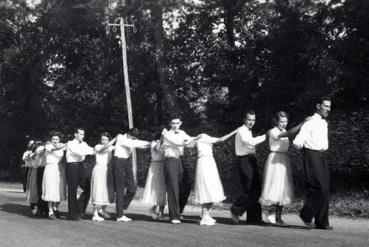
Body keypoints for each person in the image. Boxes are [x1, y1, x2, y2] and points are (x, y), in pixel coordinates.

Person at [259, 111, 306, 224]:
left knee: (283, 187)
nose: (284, 124)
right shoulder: (273, 132)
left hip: (284, 159)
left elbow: (288, 135)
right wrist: (302, 123)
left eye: (286, 121)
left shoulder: (285, 131)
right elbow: (289, 133)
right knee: (273, 187)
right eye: (281, 121)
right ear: (276, 121)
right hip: (274, 159)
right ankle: (270, 214)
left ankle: (278, 217)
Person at [293, 97, 332, 230]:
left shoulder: (324, 123)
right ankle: (306, 214)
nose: (328, 109)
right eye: (325, 106)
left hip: (322, 156)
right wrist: (306, 151)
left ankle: (322, 222)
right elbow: (297, 141)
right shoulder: (309, 122)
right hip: (311, 156)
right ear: (318, 106)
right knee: (318, 187)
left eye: (329, 107)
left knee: (325, 189)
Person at [190, 129, 237, 226]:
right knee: (206, 188)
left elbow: (189, 144)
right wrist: (235, 131)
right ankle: (204, 216)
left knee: (210, 188)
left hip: (209, 162)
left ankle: (206, 214)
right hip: (205, 162)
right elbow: (221, 139)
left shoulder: (205, 138)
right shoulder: (204, 136)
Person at [162, 115, 200, 224]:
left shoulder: (182, 133)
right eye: (173, 123)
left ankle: (179, 211)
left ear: (180, 123)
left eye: (177, 123)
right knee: (173, 188)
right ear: (170, 124)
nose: (175, 125)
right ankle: (174, 216)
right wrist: (194, 138)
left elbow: (190, 143)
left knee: (186, 186)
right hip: (170, 160)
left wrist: (200, 139)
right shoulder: (167, 134)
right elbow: (179, 142)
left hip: (180, 160)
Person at [230, 110, 267, 225]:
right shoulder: (241, 131)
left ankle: (254, 218)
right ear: (244, 120)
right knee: (250, 188)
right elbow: (250, 142)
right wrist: (266, 136)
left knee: (256, 189)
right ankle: (235, 209)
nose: (251, 122)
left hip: (251, 159)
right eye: (249, 119)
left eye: (253, 120)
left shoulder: (247, 131)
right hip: (244, 161)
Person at [113, 128, 151, 222]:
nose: (134, 139)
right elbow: (134, 144)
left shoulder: (131, 140)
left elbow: (139, 144)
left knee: (132, 188)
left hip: (126, 162)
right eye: (133, 137)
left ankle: (121, 207)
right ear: (129, 134)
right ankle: (119, 215)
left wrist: (150, 143)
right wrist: (147, 143)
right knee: (120, 188)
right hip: (118, 162)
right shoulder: (120, 137)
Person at [65, 128, 95, 220]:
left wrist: (99, 148)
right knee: (72, 190)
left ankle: (80, 209)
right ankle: (72, 214)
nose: (83, 136)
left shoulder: (84, 144)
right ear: (75, 134)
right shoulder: (70, 143)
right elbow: (79, 152)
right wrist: (91, 151)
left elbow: (92, 150)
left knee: (88, 187)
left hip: (81, 166)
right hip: (72, 166)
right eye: (81, 134)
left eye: (83, 134)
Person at [90, 132, 116, 221]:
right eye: (102, 139)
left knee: (107, 191)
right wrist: (115, 139)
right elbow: (104, 148)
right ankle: (95, 214)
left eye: (106, 140)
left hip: (107, 170)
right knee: (97, 190)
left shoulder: (111, 148)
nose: (104, 141)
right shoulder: (98, 146)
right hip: (98, 169)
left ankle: (102, 210)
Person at [42, 131, 67, 219]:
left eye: (57, 139)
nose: (55, 141)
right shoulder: (48, 146)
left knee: (59, 188)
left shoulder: (63, 146)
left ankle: (55, 207)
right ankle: (50, 211)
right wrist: (65, 144)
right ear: (51, 140)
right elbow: (54, 149)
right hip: (50, 168)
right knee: (50, 188)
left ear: (59, 140)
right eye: (53, 139)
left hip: (59, 168)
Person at [142, 131, 167, 220]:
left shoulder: (165, 144)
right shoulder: (154, 143)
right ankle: (153, 209)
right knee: (156, 188)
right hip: (155, 167)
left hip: (163, 166)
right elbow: (157, 149)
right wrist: (162, 138)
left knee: (163, 189)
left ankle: (160, 212)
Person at [22, 139, 39, 215]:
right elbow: (26, 159)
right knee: (32, 188)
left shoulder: (40, 152)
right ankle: (33, 205)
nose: (33, 146)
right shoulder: (28, 153)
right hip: (32, 169)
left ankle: (39, 205)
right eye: (32, 144)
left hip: (40, 170)